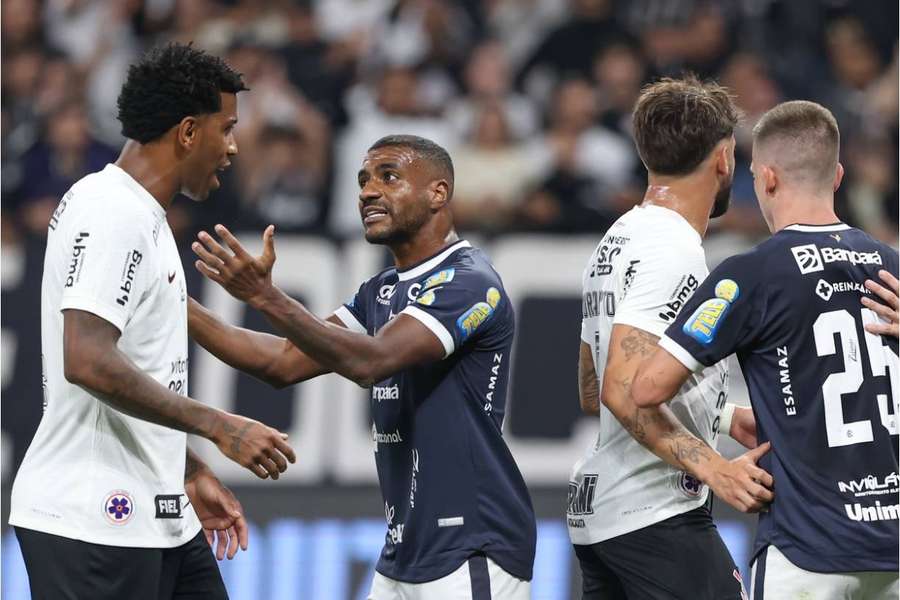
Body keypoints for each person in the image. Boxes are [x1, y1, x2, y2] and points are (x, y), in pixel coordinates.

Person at [189, 134, 536, 599]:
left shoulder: (469, 282)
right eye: (363, 180)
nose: (368, 191)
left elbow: (370, 362)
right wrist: (171, 299)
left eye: (388, 176)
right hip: (403, 553)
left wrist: (264, 296)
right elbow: (282, 362)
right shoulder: (381, 291)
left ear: (438, 193)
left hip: (471, 545)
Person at [9, 43, 297, 600]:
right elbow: (87, 360)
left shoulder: (142, 215)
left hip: (154, 508)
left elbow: (141, 364)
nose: (233, 147)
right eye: (227, 128)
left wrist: (183, 466)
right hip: (92, 519)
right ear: (189, 132)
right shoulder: (112, 212)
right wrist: (219, 426)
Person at [630, 100, 899, 599]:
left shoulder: (753, 274)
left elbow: (646, 388)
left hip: (805, 549)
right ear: (837, 175)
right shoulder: (891, 266)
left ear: (768, 178)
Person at [567, 75, 774, 600]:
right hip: (654, 514)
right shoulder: (671, 249)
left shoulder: (618, 237)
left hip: (605, 515)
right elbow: (619, 389)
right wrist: (716, 469)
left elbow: (592, 387)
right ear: (724, 158)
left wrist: (722, 416)